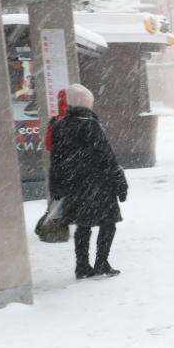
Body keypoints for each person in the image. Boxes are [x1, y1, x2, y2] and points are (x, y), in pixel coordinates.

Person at [48, 84, 128, 279]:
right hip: (99, 185)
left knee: (83, 226)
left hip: (74, 186)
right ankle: (101, 262)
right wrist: (120, 184)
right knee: (108, 224)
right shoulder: (91, 125)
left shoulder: (59, 126)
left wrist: (56, 187)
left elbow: (55, 161)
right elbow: (107, 158)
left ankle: (82, 265)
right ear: (86, 103)